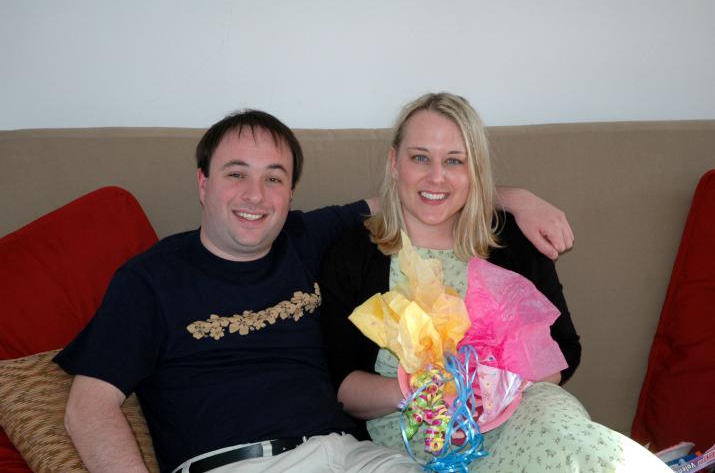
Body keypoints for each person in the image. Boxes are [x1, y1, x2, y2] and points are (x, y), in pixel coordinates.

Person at [54, 108, 576, 473]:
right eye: (236, 174)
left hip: (354, 458)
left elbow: (423, 195)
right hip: (237, 462)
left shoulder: (307, 239)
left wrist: (516, 198)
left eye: (274, 178)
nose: (255, 196)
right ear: (203, 183)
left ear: (290, 193)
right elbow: (89, 408)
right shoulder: (150, 279)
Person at [319, 92, 672, 471]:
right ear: (394, 163)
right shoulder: (354, 253)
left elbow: (564, 350)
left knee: (584, 453)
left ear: (475, 170)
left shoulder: (513, 243)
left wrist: (494, 386)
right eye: (420, 157)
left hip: (524, 417)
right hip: (411, 439)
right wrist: (416, 390)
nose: (436, 176)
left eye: (454, 161)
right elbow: (340, 387)